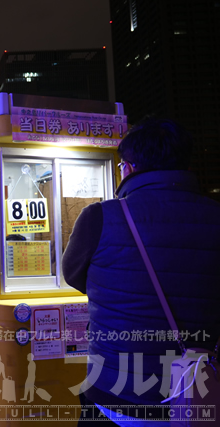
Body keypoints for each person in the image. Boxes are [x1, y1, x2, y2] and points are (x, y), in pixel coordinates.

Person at [62, 118, 220, 424]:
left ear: (129, 168)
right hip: (196, 389)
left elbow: (74, 277)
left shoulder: (100, 216)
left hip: (116, 391)